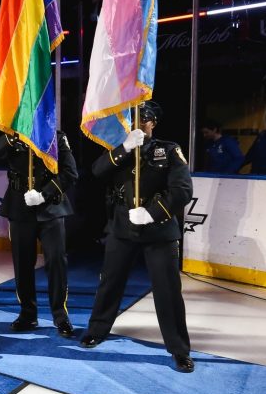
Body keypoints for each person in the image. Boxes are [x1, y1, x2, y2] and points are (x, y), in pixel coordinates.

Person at [80, 101, 195, 373]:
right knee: (109, 283)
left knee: (167, 292)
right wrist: (125, 147)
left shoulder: (168, 150)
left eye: (142, 118)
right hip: (122, 228)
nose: (136, 123)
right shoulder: (121, 149)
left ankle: (179, 350)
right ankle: (97, 330)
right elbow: (96, 171)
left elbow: (182, 190)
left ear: (153, 122)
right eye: (132, 118)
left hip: (158, 230)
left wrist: (152, 212)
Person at [0, 129, 77, 337]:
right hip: (20, 208)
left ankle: (60, 315)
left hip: (50, 209)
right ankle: (28, 314)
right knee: (22, 264)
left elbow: (70, 172)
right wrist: (14, 136)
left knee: (56, 262)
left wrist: (44, 194)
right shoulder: (13, 136)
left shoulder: (55, 137)